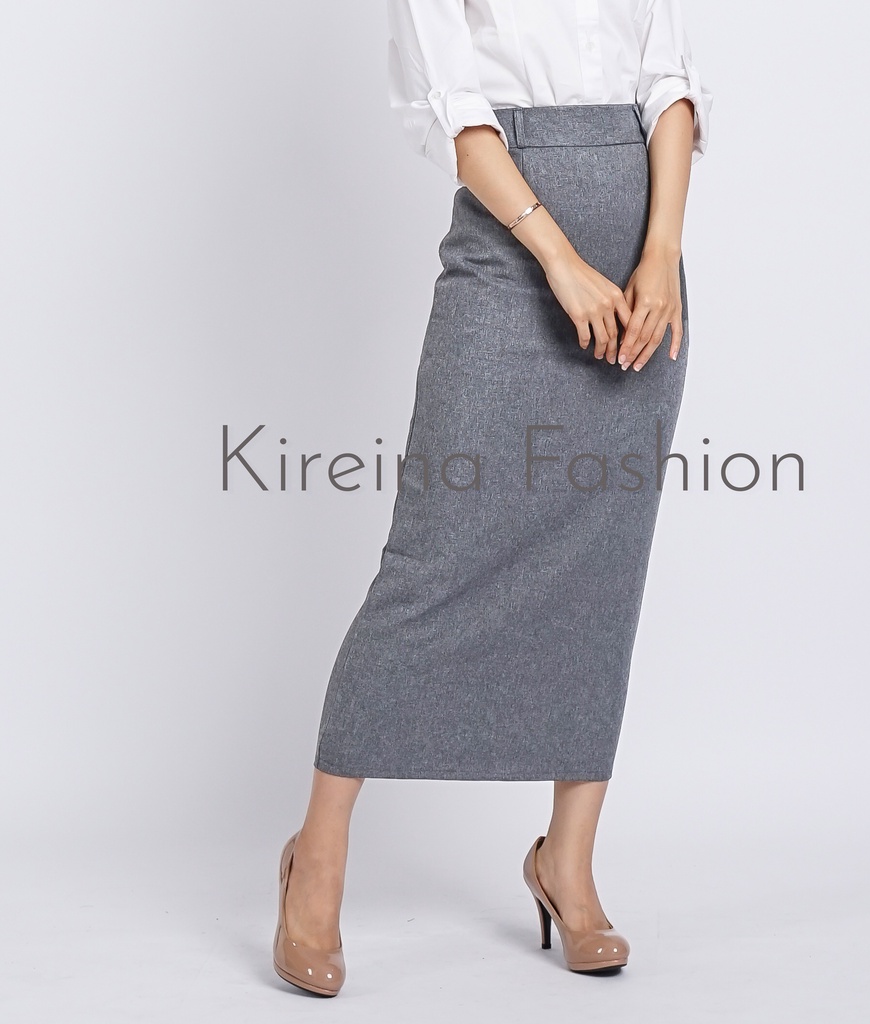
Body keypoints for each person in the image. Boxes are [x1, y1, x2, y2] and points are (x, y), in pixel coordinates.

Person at [272, 0, 712, 996]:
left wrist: (660, 255)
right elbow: (456, 110)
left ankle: (567, 862)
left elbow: (669, 83)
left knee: (601, 567)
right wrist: (561, 261)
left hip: (643, 276)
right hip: (514, 262)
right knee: (430, 563)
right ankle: (316, 856)